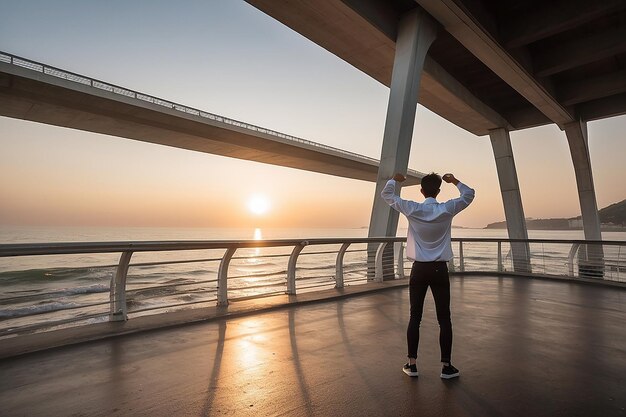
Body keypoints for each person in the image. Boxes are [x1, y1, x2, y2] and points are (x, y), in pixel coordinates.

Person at [381, 172, 475, 379]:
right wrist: (455, 181)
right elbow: (469, 195)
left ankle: (412, 364)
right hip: (440, 269)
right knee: (444, 319)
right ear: (438, 191)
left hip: (419, 270)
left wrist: (394, 180)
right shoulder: (447, 208)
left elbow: (387, 195)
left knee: (415, 317)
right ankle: (446, 366)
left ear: (422, 191)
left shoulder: (413, 208)